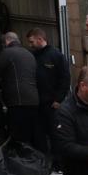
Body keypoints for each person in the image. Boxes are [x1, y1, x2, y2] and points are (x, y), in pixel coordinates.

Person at [26, 27, 70, 157]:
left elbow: (65, 78)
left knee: (55, 134)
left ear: (40, 39)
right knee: (39, 134)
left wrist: (59, 99)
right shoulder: (33, 56)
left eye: (32, 41)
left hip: (52, 104)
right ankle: (44, 161)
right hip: (37, 103)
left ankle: (58, 163)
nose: (30, 45)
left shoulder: (56, 55)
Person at [0, 31, 41, 149]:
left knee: (19, 138)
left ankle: (22, 162)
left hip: (17, 101)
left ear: (6, 41)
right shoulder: (29, 54)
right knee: (34, 135)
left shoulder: (7, 53)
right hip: (34, 100)